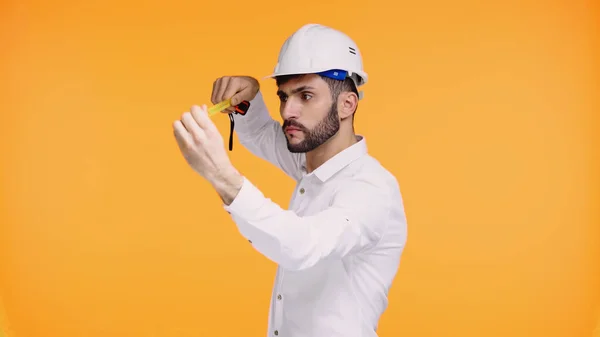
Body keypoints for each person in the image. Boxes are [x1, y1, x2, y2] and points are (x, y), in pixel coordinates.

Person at [172, 23, 408, 337]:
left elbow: (302, 245)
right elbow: (259, 134)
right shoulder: (312, 163)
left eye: (305, 96)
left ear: (347, 104)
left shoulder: (371, 189)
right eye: (283, 96)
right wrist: (249, 97)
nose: (287, 110)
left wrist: (223, 178)